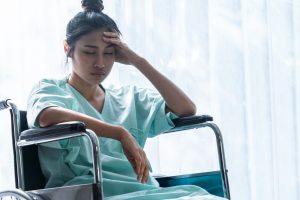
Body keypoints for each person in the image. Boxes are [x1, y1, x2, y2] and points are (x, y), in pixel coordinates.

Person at [27, 0, 227, 199]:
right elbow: (47, 116)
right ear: (67, 48)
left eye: (109, 53)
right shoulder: (50, 89)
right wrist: (119, 133)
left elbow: (186, 108)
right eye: (89, 52)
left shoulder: (128, 98)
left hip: (145, 191)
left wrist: (137, 61)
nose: (100, 63)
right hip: (90, 194)